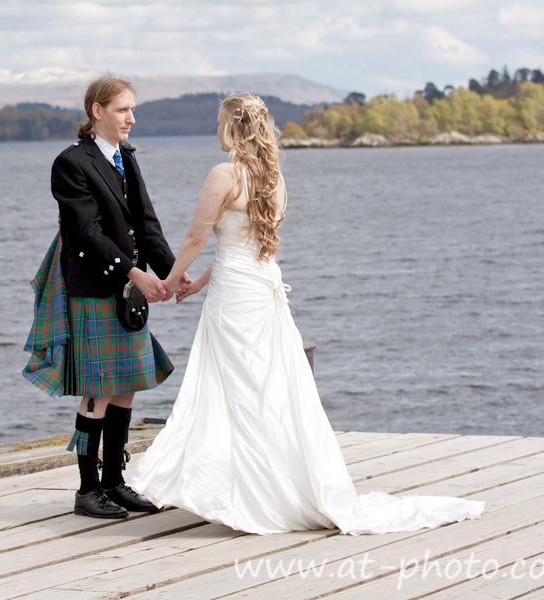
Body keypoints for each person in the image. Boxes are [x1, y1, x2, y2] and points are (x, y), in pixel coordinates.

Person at [126, 93, 485, 535]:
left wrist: (168, 281)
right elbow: (248, 248)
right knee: (267, 386)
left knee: (235, 387)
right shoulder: (273, 179)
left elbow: (197, 237)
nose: (216, 130)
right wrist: (196, 283)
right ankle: (260, 488)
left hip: (238, 296)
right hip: (260, 288)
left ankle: (254, 494)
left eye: (220, 122)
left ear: (235, 127)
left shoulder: (223, 175)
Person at [26, 75, 187, 519]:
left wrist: (173, 274)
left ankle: (115, 481)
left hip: (126, 290)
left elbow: (146, 224)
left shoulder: (126, 158)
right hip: (95, 287)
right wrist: (135, 272)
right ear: (97, 111)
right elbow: (87, 233)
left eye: (133, 109)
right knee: (97, 390)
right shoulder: (71, 163)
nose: (131, 118)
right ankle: (87, 489)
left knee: (126, 388)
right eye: (122, 110)